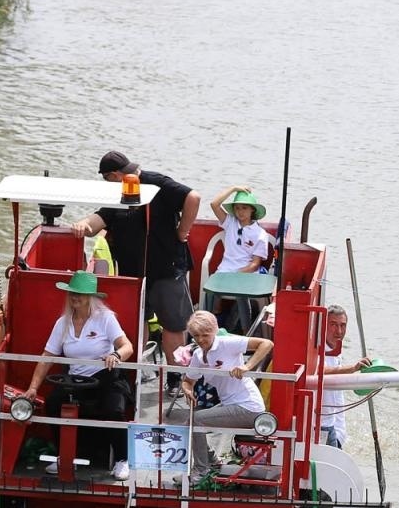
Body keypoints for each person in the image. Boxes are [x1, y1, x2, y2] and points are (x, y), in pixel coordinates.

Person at [68, 152, 200, 373]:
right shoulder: (117, 195)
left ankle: (177, 377)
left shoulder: (156, 182)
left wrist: (182, 231)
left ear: (114, 175)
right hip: (133, 274)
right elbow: (98, 220)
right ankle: (134, 373)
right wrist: (82, 224)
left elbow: (193, 197)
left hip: (166, 269)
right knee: (138, 323)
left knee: (173, 325)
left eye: (107, 179)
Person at [25, 271, 136, 480]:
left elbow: (127, 346)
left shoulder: (105, 318)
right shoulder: (62, 323)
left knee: (114, 409)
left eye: (80, 293)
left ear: (91, 297)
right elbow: (47, 357)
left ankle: (122, 459)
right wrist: (33, 388)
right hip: (75, 380)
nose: (75, 297)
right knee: (53, 404)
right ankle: (65, 456)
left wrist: (115, 355)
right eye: (72, 293)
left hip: (106, 376)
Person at [167, 310, 273, 481]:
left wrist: (247, 366)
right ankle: (211, 461)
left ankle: (201, 470)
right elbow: (188, 381)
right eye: (196, 336)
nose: (201, 340)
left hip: (249, 406)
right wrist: (187, 390)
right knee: (190, 422)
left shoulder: (227, 343)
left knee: (196, 420)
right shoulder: (198, 355)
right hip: (231, 404)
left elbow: (266, 343)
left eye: (205, 335)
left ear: (214, 331)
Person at [319, 305, 370, 448]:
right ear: (323, 325)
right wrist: (353, 368)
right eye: (333, 325)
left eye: (342, 325)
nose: (339, 331)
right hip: (322, 424)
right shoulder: (316, 350)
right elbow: (320, 370)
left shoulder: (336, 348)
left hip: (336, 422)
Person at [208, 186, 274, 274]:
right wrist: (233, 189)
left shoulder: (261, 234)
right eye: (237, 208)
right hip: (224, 270)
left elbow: (255, 264)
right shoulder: (230, 222)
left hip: (247, 273)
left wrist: (236, 274)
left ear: (252, 209)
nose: (240, 212)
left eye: (244, 208)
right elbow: (214, 204)